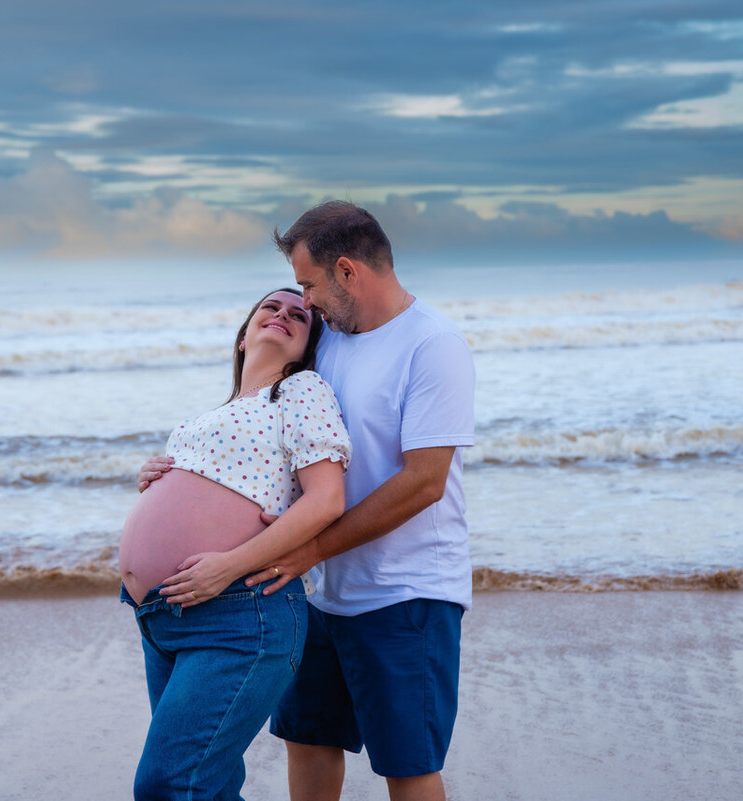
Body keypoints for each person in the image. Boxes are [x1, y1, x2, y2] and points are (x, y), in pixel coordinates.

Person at [140, 201, 476, 801]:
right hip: (314, 590)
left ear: (347, 271)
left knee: (408, 764)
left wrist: (309, 548)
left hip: (404, 591)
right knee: (309, 741)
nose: (305, 301)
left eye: (309, 285)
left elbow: (425, 482)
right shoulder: (331, 342)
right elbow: (270, 436)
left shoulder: (433, 344)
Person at [119, 287, 351, 801]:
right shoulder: (214, 415)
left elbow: (326, 500)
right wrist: (156, 479)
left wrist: (227, 566)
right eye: (271, 307)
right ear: (244, 336)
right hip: (161, 615)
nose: (283, 314)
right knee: (207, 787)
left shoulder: (301, 390)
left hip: (238, 613)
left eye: (299, 316)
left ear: (306, 350)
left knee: (168, 785)